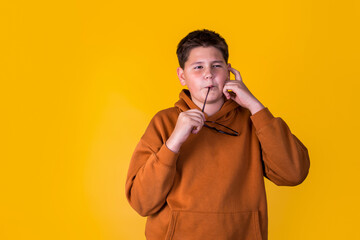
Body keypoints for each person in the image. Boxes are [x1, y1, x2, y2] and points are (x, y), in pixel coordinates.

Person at [125, 29, 310, 240]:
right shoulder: (164, 122)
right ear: (181, 76)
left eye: (216, 66)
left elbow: (294, 173)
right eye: (198, 67)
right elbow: (141, 202)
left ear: (229, 71)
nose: (208, 74)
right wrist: (174, 142)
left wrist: (255, 106)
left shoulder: (254, 120)